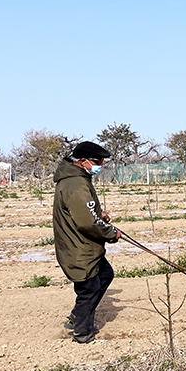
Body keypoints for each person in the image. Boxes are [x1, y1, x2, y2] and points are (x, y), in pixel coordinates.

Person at [53, 141, 121, 344]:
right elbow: (88, 223)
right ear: (83, 162)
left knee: (105, 274)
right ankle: (82, 335)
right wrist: (112, 233)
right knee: (88, 290)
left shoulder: (74, 180)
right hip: (79, 249)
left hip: (84, 247)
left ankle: (76, 318)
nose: (100, 165)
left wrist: (99, 213)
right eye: (97, 162)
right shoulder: (77, 185)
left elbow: (81, 211)